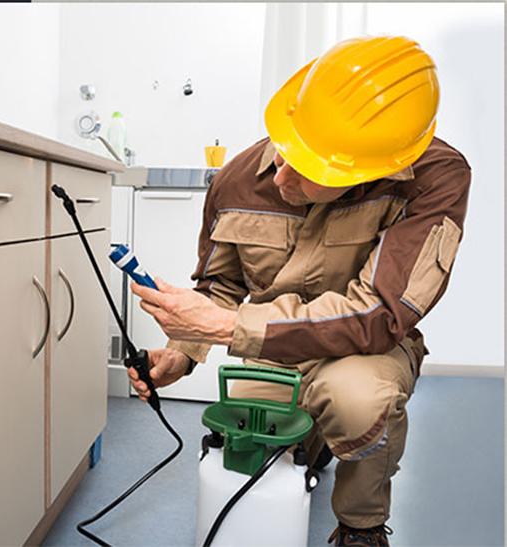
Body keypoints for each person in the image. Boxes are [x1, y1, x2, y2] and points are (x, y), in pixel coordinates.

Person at [127, 35, 471, 546]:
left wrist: (225, 327)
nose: (282, 176)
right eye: (286, 148)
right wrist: (181, 354)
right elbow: (221, 284)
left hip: (364, 349)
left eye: (310, 171)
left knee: (357, 401)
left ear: (367, 172)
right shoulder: (238, 179)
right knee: (253, 452)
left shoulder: (433, 179)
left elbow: (379, 313)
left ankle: (362, 527)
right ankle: (315, 443)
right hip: (269, 352)